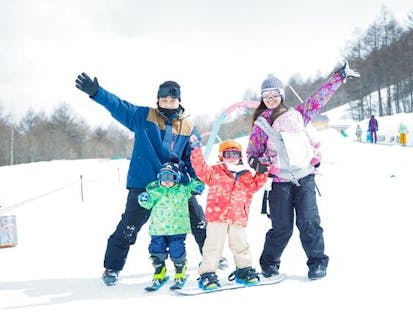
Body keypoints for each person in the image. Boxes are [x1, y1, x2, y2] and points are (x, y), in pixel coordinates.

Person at [75, 73, 207, 286]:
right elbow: (118, 106)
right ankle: (112, 267)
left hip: (176, 187)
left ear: (179, 101)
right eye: (164, 100)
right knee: (129, 225)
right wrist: (97, 93)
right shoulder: (143, 116)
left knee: (198, 221)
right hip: (144, 184)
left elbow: (192, 158)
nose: (168, 103)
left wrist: (195, 180)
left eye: (172, 100)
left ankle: (212, 259)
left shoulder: (188, 127)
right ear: (158, 100)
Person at [246, 61, 359, 280]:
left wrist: (339, 77)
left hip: (305, 177)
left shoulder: (299, 114)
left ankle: (317, 262)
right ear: (262, 98)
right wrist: (257, 163)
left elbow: (319, 98)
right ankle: (269, 262)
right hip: (280, 181)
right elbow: (251, 152)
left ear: (281, 95)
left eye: (274, 95)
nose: (270, 99)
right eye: (266, 96)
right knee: (282, 227)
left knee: (309, 221)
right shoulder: (261, 125)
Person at [190, 137, 271, 290]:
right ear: (221, 156)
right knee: (213, 246)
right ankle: (207, 274)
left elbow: (255, 185)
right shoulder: (214, 171)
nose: (232, 158)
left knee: (240, 245)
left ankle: (244, 269)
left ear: (240, 157)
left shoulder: (246, 174)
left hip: (237, 216)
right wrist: (196, 150)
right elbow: (200, 168)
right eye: (228, 154)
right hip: (217, 215)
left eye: (236, 154)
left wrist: (263, 168)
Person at [138, 160, 203, 288]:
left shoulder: (182, 191)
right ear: (159, 178)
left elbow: (193, 185)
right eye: (163, 177)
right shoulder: (155, 192)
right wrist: (144, 199)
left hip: (177, 229)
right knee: (156, 249)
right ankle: (159, 270)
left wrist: (198, 185)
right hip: (158, 230)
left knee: (176, 250)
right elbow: (148, 203)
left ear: (177, 178)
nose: (166, 180)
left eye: (170, 177)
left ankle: (180, 270)